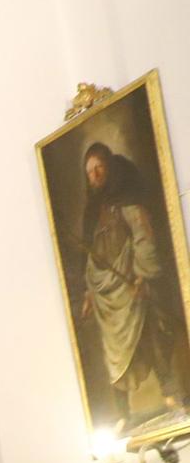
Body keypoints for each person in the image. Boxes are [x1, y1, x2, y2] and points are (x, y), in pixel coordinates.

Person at [78, 142, 185, 430]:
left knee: (152, 334)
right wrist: (90, 291)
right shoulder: (92, 211)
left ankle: (171, 395)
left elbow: (142, 235)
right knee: (111, 352)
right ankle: (123, 413)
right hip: (106, 296)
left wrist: (142, 275)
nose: (96, 175)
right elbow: (92, 256)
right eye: (90, 172)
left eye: (99, 168)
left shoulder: (127, 197)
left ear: (109, 167)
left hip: (132, 281)